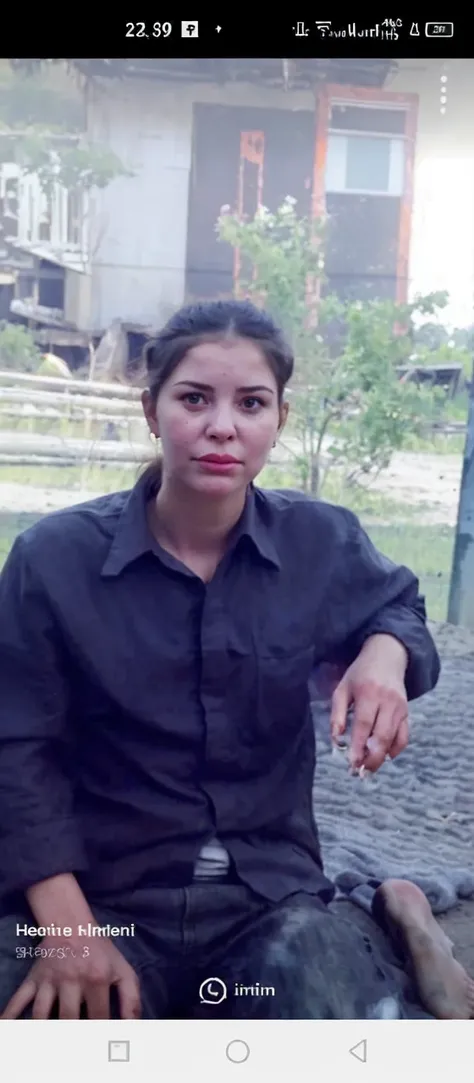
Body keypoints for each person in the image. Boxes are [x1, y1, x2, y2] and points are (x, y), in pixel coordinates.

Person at [0, 299, 472, 1022]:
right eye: (194, 399)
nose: (222, 425)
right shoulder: (53, 560)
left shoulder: (320, 541)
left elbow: (397, 605)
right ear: (152, 411)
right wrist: (67, 931)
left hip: (267, 898)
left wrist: (383, 657)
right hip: (108, 897)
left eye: (251, 402)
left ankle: (396, 924)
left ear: (279, 419)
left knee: (314, 1001)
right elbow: (15, 745)